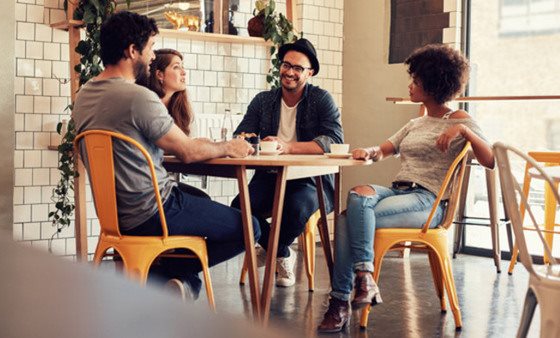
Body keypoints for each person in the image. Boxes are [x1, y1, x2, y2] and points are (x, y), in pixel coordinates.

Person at [72, 11, 259, 300]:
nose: (150, 57)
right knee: (251, 226)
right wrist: (227, 147)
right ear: (131, 50)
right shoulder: (137, 97)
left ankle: (171, 279)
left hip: (115, 215)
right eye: (149, 49)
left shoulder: (84, 96)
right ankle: (165, 276)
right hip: (152, 209)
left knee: (202, 200)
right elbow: (187, 151)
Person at [317, 44, 495, 333]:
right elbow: (386, 149)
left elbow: (491, 160)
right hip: (399, 192)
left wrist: (464, 131)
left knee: (348, 219)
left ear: (433, 83)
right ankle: (364, 277)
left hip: (428, 202)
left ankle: (340, 303)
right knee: (356, 196)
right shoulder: (416, 122)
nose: (410, 85)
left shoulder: (461, 120)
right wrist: (369, 151)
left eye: (416, 80)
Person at [231, 38, 344, 287]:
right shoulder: (263, 101)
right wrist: (256, 142)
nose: (290, 72)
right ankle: (281, 252)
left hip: (311, 180)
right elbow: (241, 136)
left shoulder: (321, 99)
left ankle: (270, 250)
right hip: (270, 176)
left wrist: (288, 146)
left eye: (298, 68)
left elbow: (333, 140)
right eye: (286, 65)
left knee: (295, 207)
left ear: (310, 73)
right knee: (239, 206)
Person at [136, 48, 209, 198]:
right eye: (176, 67)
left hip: (161, 181)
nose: (184, 72)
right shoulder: (146, 106)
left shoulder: (182, 107)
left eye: (183, 67)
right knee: (202, 199)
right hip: (147, 185)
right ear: (160, 74)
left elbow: (188, 141)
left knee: (201, 197)